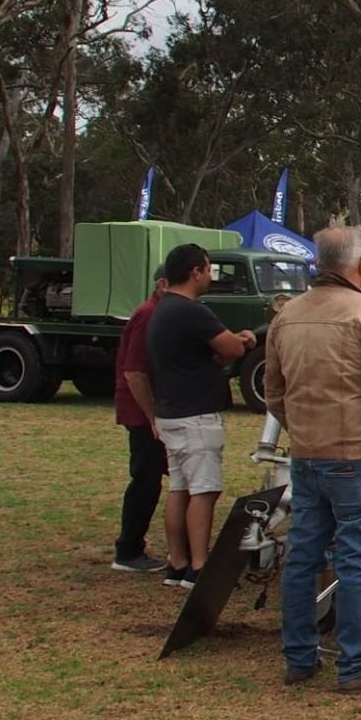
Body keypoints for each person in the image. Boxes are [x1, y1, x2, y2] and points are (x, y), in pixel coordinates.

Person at [265, 226, 361, 693]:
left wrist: (303, 430)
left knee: (302, 556)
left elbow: (273, 392)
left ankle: (300, 656)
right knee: (356, 560)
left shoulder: (286, 316)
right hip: (358, 455)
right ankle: (354, 664)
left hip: (308, 454)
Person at [147, 243, 253, 586]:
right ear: (195, 272)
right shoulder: (192, 311)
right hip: (196, 415)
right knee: (204, 491)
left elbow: (200, 353)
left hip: (171, 412)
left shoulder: (162, 309)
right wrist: (246, 342)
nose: (211, 276)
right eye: (209, 270)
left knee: (180, 488)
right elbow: (230, 348)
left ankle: (177, 561)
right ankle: (199, 565)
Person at [112, 264, 170, 575]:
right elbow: (134, 371)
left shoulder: (159, 313)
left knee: (161, 477)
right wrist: (152, 416)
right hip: (143, 410)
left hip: (155, 408)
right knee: (146, 479)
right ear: (162, 284)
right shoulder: (149, 314)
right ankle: (128, 549)